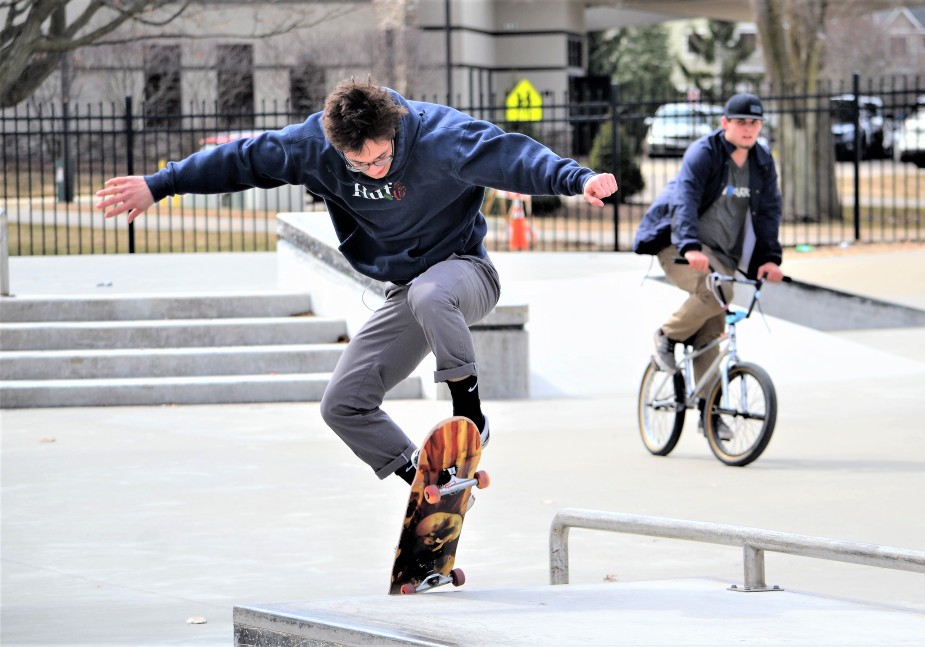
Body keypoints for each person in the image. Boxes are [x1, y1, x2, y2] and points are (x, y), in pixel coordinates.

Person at [96, 77, 617, 484]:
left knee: (434, 292)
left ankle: (470, 416)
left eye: (382, 157)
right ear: (335, 145)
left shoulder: (443, 136)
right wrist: (159, 184)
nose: (373, 171)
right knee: (342, 404)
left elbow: (515, 156)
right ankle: (424, 481)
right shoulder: (312, 146)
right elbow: (243, 158)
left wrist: (579, 179)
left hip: (465, 275)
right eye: (358, 163)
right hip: (406, 295)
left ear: (394, 130)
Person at [632, 92, 784, 436]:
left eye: (755, 122)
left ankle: (709, 411)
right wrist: (689, 245)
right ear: (725, 123)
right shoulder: (705, 153)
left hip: (721, 255)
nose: (749, 129)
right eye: (741, 122)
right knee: (717, 290)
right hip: (677, 243)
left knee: (713, 333)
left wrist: (770, 259)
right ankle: (667, 336)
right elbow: (684, 198)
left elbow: (770, 213)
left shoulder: (762, 161)